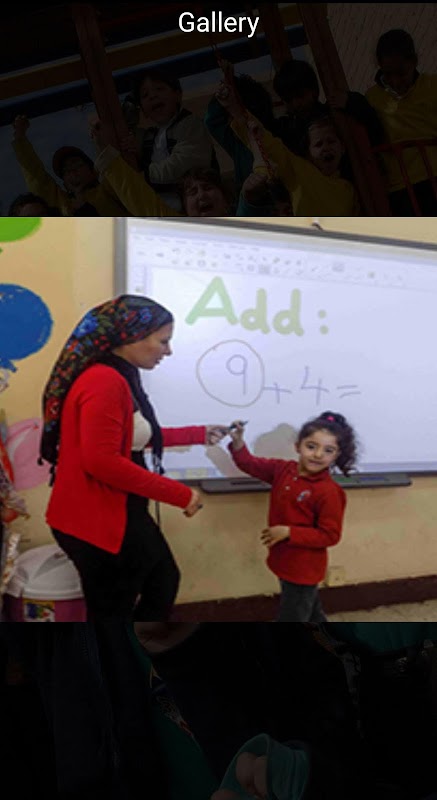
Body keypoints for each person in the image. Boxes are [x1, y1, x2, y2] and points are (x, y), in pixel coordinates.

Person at [38, 295, 227, 621]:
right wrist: (179, 494)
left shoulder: (118, 375)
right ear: (131, 337)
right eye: (163, 341)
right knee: (118, 607)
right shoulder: (104, 381)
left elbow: (129, 437)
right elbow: (102, 461)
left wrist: (198, 433)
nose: (168, 351)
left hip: (116, 511)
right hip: (96, 519)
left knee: (162, 582)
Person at [227, 412, 358, 622]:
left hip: (304, 569)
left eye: (328, 450)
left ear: (336, 455)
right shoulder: (283, 470)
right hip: (283, 559)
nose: (318, 455)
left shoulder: (329, 492)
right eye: (311, 446)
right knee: (310, 611)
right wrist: (238, 442)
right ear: (298, 446)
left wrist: (289, 532)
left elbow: (330, 535)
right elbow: (249, 464)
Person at [219, 84, 360, 215]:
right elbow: (269, 145)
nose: (326, 148)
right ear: (308, 153)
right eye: (318, 144)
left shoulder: (350, 188)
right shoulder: (299, 171)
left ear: (342, 148)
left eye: (331, 141)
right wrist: (235, 109)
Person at [366, 29, 437, 215]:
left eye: (401, 73)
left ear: (414, 62)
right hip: (401, 188)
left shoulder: (432, 86)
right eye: (388, 74)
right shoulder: (372, 100)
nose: (396, 82)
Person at [126, 68, 217, 211]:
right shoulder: (149, 136)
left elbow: (180, 165)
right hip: (157, 211)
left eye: (159, 89)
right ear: (142, 110)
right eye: (145, 95)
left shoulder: (190, 125)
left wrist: (142, 177)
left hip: (193, 207)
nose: (153, 96)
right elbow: (122, 136)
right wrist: (129, 108)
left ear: (178, 95)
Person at [12, 115, 128, 216]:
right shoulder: (61, 203)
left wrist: (100, 137)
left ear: (92, 171)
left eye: (77, 165)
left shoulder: (108, 189)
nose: (72, 172)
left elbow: (114, 166)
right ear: (65, 184)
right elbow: (37, 176)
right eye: (66, 171)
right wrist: (20, 138)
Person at [273, 58, 384, 155]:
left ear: (313, 91)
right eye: (288, 100)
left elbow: (376, 130)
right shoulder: (289, 130)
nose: (296, 104)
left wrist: (351, 102)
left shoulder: (333, 114)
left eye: (300, 96)